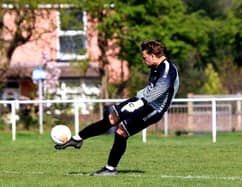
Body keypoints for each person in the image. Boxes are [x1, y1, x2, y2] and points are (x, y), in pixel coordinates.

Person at [55, 40, 180, 176]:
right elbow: (150, 89)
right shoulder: (156, 67)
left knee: (121, 132)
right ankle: (77, 139)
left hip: (153, 108)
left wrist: (140, 102)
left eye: (144, 58)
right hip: (141, 101)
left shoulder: (168, 68)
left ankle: (110, 168)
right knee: (112, 117)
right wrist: (138, 99)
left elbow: (160, 89)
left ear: (153, 55)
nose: (144, 61)